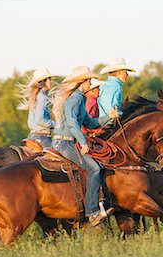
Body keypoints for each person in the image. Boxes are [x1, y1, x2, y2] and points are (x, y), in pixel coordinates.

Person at [51, 66, 119, 226]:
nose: (91, 83)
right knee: (94, 168)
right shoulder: (75, 98)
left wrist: (109, 117)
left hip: (68, 141)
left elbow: (90, 122)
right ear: (82, 81)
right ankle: (92, 212)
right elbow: (72, 121)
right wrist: (83, 142)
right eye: (89, 80)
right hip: (64, 142)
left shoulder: (79, 98)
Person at [17, 67, 57, 148]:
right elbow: (40, 120)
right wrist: (57, 124)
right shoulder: (42, 97)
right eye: (49, 79)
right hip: (42, 137)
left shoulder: (34, 96)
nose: (51, 81)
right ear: (44, 81)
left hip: (32, 136)